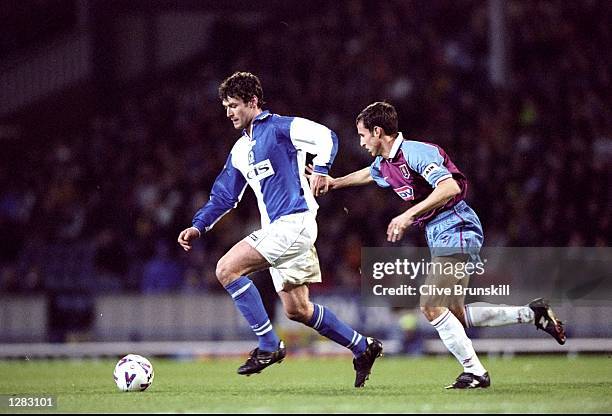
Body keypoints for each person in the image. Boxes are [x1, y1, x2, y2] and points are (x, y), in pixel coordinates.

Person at [316, 101, 566, 389]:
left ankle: (475, 373)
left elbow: (450, 187)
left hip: (456, 223)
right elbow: (367, 174)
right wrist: (334, 183)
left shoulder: (416, 152)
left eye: (362, 135)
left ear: (377, 131)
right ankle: (532, 312)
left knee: (431, 304)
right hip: (437, 232)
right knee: (456, 316)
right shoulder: (386, 164)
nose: (360, 142)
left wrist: (407, 215)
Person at [177, 72, 382, 387]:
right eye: (226, 106)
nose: (229, 112)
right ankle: (362, 346)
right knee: (297, 310)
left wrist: (323, 171)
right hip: (282, 231)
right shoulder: (240, 150)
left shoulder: (280, 128)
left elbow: (327, 137)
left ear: (253, 102)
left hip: (294, 223)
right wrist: (198, 225)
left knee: (226, 269)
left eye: (234, 105)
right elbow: (224, 196)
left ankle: (269, 345)